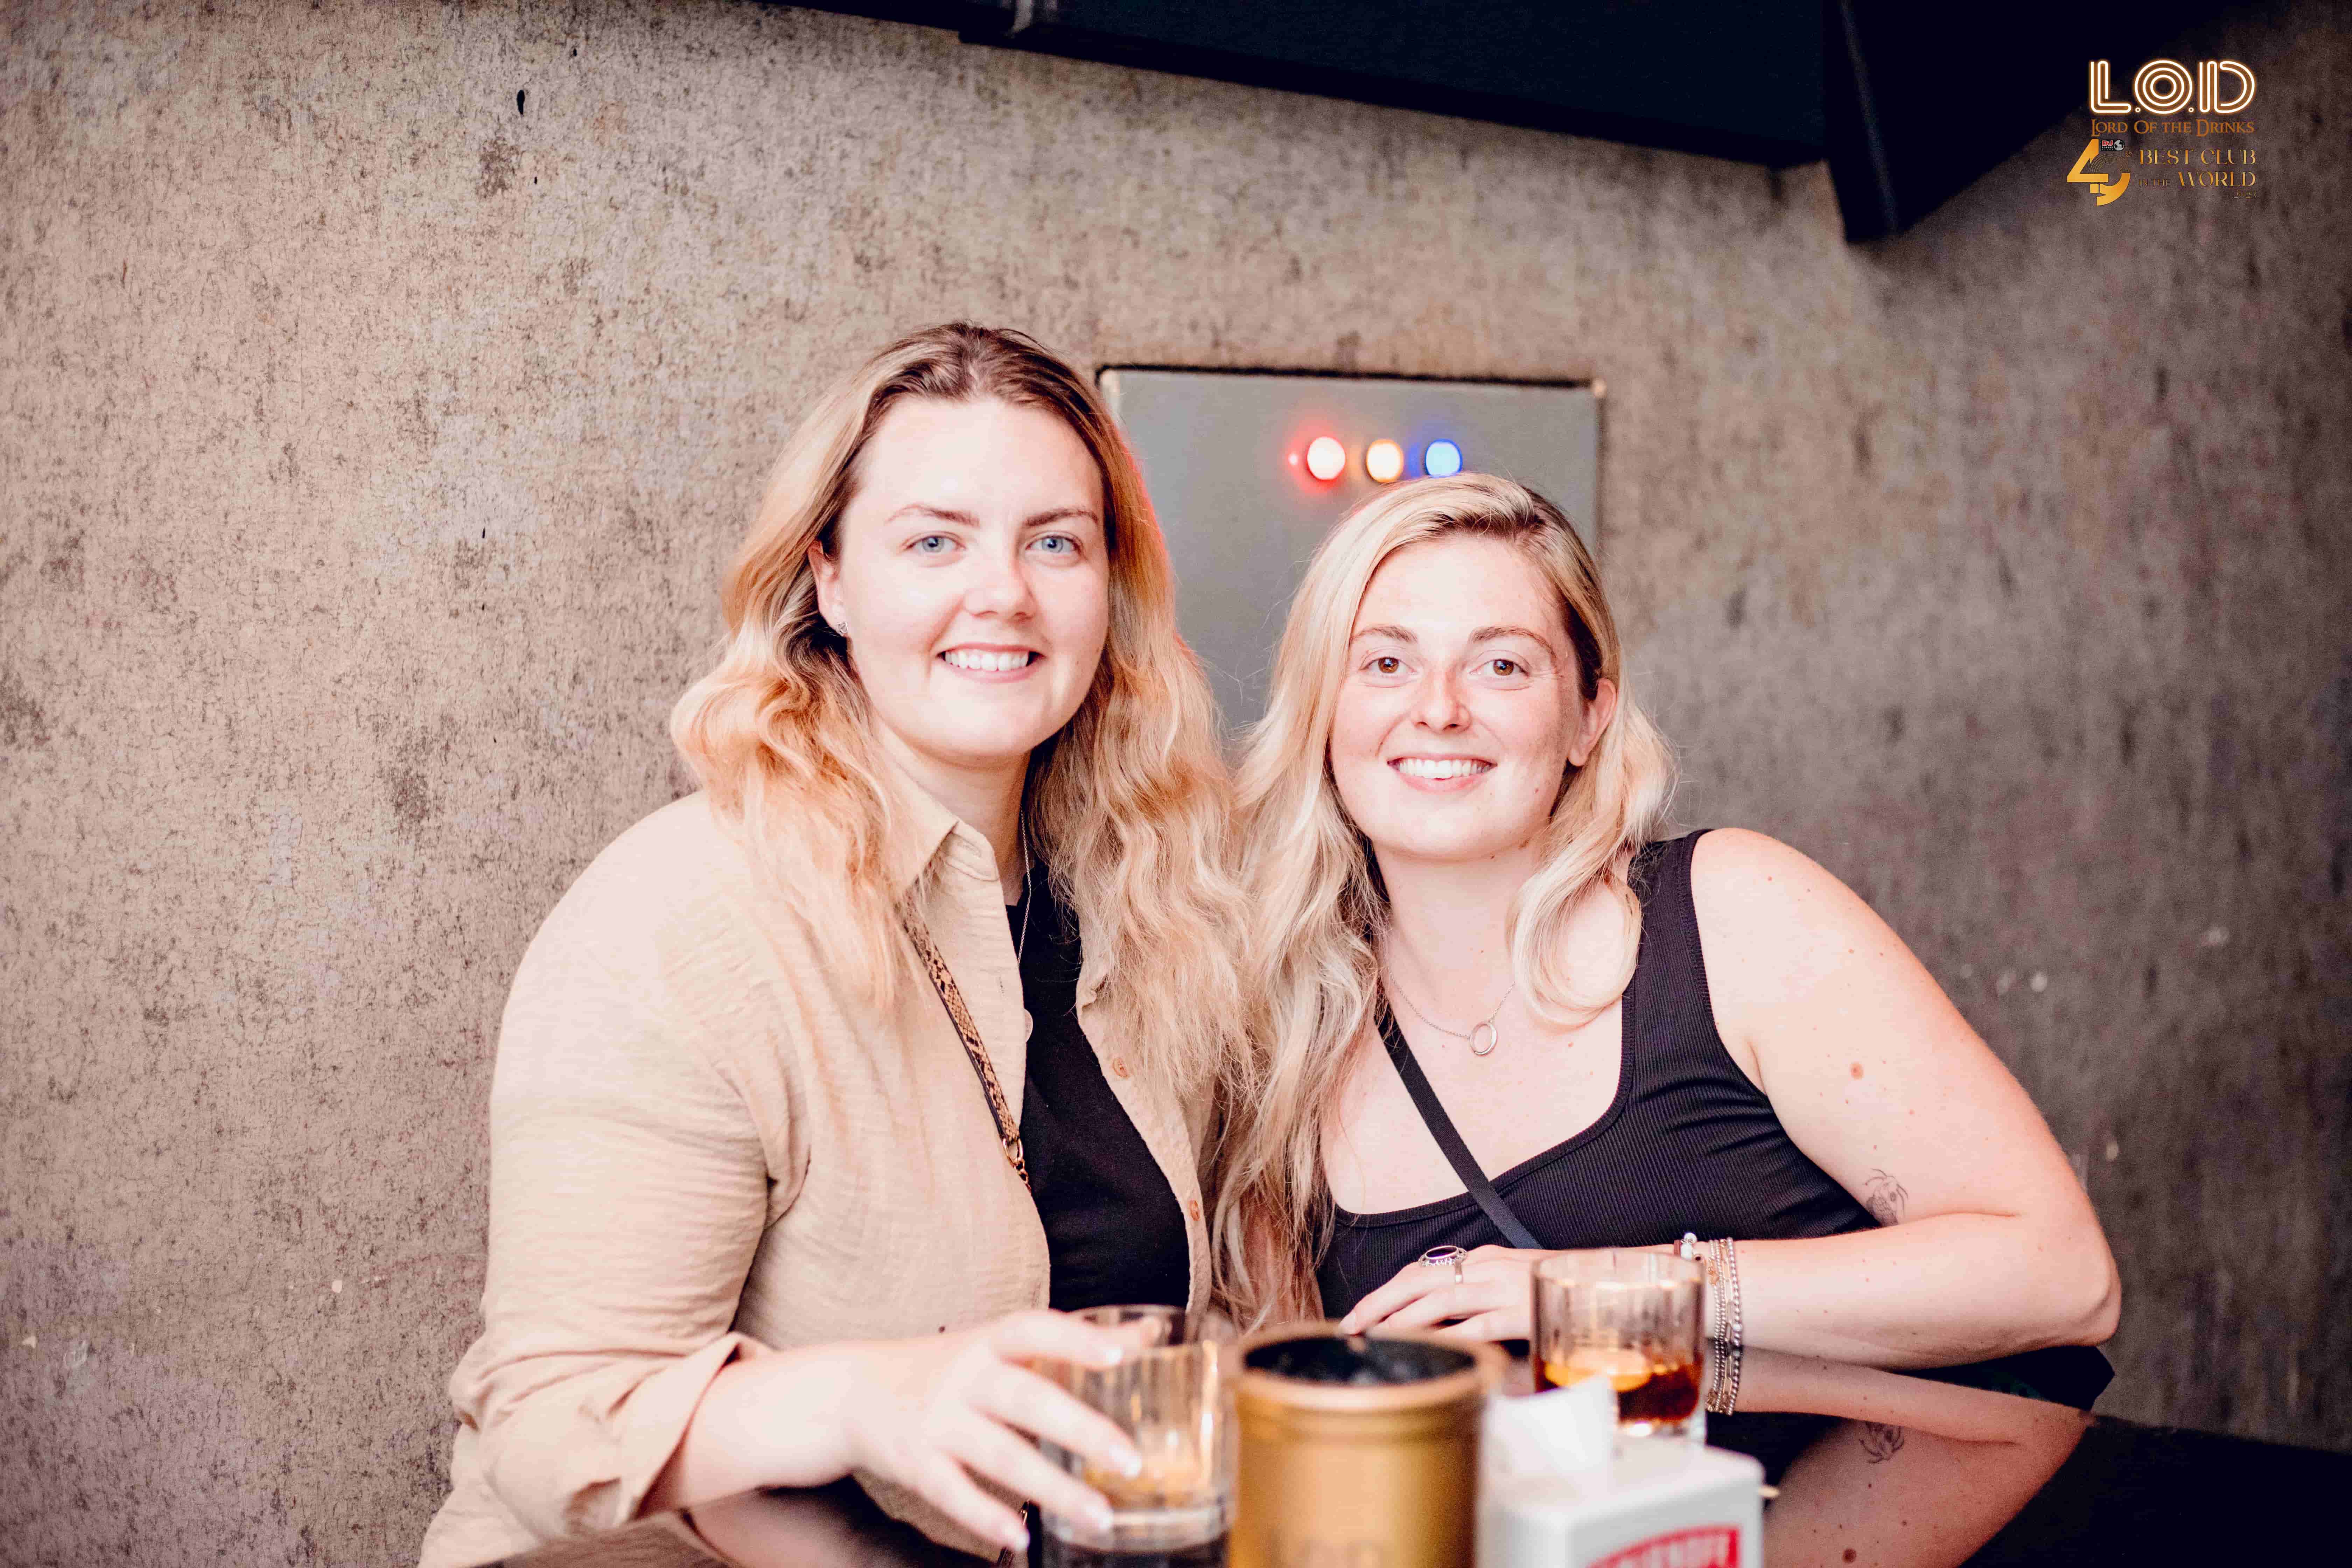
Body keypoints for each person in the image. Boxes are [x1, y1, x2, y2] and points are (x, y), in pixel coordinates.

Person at [421, 324, 1245, 1568]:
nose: (1004, 594)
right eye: (934, 541)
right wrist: (870, 1395)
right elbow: (549, 1424)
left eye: (1055, 542)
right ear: (833, 582)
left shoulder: (1148, 902)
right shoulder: (684, 915)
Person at [1211, 473, 2120, 1406]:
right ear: (1323, 711)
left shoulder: (1732, 913)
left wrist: (1604, 1293)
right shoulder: (1285, 1043)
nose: (1438, 708)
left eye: (1503, 666)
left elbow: (2064, 1276)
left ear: (1589, 717)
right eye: (1385, 664)